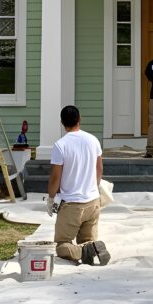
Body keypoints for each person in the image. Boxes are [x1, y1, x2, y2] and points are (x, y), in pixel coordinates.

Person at [47, 105, 110, 265]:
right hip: (93, 202)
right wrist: (93, 187)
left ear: (62, 122)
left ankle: (83, 251)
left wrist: (51, 198)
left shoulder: (60, 145)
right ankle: (90, 249)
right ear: (79, 119)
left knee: (61, 245)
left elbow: (55, 178)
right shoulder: (93, 140)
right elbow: (99, 169)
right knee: (88, 241)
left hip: (72, 205)